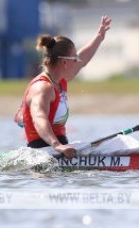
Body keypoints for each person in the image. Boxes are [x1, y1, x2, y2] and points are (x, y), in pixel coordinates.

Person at [15, 15, 112, 159]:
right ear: (64, 62)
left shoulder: (60, 81)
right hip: (44, 152)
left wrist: (99, 37)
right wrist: (57, 145)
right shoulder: (42, 87)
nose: (77, 61)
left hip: (60, 150)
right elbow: (39, 118)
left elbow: (83, 59)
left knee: (110, 144)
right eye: (74, 59)